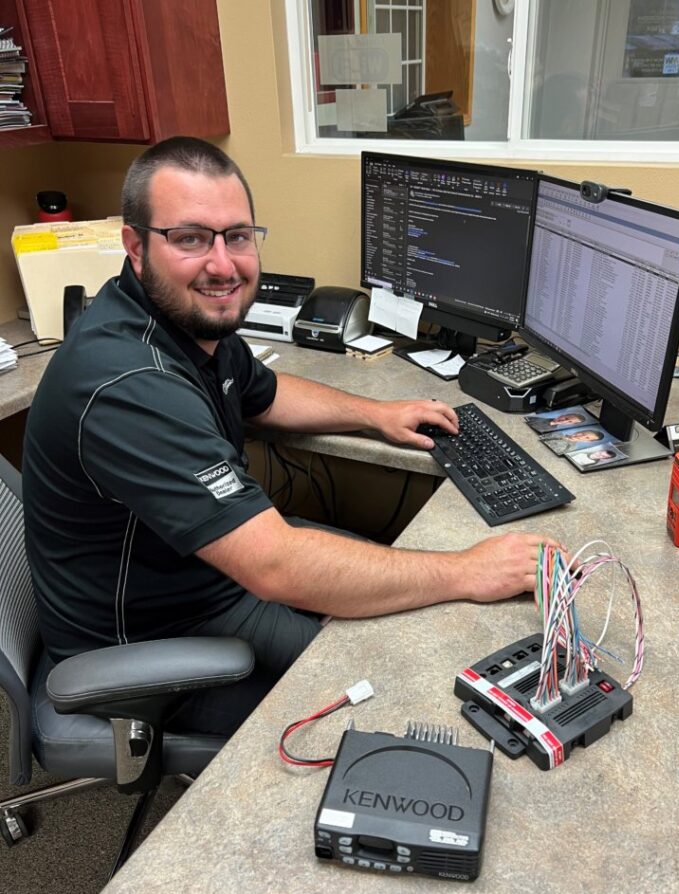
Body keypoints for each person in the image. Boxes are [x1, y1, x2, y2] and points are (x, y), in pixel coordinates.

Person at [23, 136, 563, 736]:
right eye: (190, 238)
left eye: (237, 236)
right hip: (147, 643)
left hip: (207, 578)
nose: (224, 264)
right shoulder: (129, 386)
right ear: (136, 246)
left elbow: (266, 393)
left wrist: (376, 413)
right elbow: (276, 565)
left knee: (395, 611)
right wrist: (466, 570)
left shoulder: (186, 322)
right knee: (398, 687)